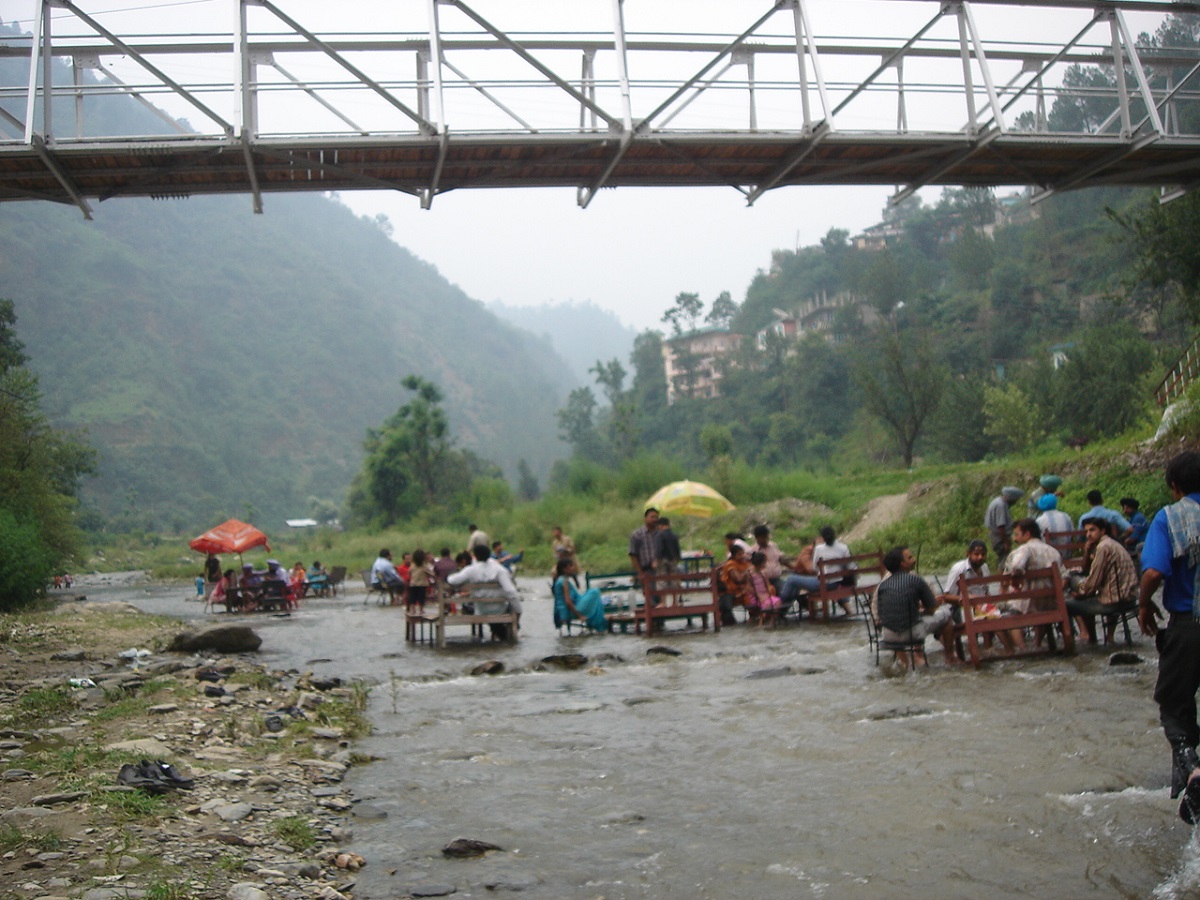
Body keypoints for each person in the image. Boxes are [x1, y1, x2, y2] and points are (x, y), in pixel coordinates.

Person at [1136, 451, 1200, 823]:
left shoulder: (1170, 517)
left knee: (1174, 706)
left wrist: (1144, 606)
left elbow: (1153, 573)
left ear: (1175, 487)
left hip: (1188, 627)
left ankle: (1192, 770)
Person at [873, 545, 956, 665]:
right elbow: (932, 609)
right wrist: (928, 608)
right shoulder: (915, 580)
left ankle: (905, 665)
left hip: (887, 636)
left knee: (910, 620)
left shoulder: (883, 585)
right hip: (911, 635)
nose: (914, 560)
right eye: (910, 558)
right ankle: (950, 658)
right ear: (902, 564)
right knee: (947, 614)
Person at [1067, 516, 1137, 644]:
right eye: (1086, 531)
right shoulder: (1113, 544)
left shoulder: (1103, 547)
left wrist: (1080, 594)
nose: (1088, 535)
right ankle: (1108, 638)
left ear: (1103, 531)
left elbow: (1092, 582)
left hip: (1114, 600)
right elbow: (1087, 570)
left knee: (1067, 604)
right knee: (1085, 593)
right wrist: (1087, 552)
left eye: (1092, 530)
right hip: (1128, 597)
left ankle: (1090, 639)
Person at [447, 543, 523, 637]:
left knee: (470, 606)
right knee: (510, 607)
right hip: (499, 610)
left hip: (480, 610)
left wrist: (450, 576)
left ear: (475, 556)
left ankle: (500, 635)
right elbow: (510, 591)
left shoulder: (471, 570)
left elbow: (452, 580)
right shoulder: (498, 569)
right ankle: (508, 635)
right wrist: (519, 611)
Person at [552, 558, 608, 632]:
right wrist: (579, 616)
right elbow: (568, 601)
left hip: (568, 611)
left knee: (592, 593)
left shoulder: (560, 580)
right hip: (571, 612)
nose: (573, 568)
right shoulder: (564, 581)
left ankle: (598, 620)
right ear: (564, 569)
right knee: (595, 591)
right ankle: (598, 622)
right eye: (570, 566)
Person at [812, 525, 856, 617]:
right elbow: (851, 566)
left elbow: (815, 567)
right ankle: (849, 611)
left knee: (793, 579)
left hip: (826, 584)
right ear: (835, 535)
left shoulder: (819, 549)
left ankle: (779, 609)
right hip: (841, 582)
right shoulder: (843, 547)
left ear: (823, 538)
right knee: (836, 586)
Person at [779, 535, 820, 615]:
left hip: (813, 578)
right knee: (791, 591)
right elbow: (810, 569)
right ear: (813, 545)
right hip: (802, 577)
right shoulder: (807, 552)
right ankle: (780, 609)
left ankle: (780, 609)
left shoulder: (821, 552)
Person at [986, 486, 1023, 568]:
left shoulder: (998, 501)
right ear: (1011, 498)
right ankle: (1003, 580)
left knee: (1003, 560)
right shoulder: (1001, 505)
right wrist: (1006, 542)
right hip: (999, 538)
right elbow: (1001, 526)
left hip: (997, 536)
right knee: (1004, 562)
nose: (1015, 502)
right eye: (1015, 499)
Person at [717, 543, 752, 625]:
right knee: (726, 608)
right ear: (733, 555)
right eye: (740, 554)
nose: (743, 556)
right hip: (729, 591)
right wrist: (746, 573)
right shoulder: (730, 564)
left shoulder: (746, 563)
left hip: (743, 590)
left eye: (743, 553)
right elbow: (738, 579)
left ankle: (754, 616)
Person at [628, 507, 660, 591]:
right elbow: (633, 555)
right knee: (650, 598)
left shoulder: (661, 533)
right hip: (646, 571)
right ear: (645, 518)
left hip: (661, 570)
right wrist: (640, 573)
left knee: (663, 598)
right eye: (652, 517)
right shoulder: (637, 535)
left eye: (656, 517)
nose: (654, 519)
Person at [747, 551, 782, 625]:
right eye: (764, 562)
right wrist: (758, 595)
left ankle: (772, 621)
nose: (765, 564)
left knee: (777, 601)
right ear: (759, 563)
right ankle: (761, 621)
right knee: (767, 604)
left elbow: (768, 585)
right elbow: (748, 587)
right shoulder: (750, 574)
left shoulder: (764, 573)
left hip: (765, 595)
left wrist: (769, 592)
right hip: (755, 597)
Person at [752, 524, 787, 593]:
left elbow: (780, 559)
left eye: (766, 537)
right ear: (757, 538)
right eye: (762, 538)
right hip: (762, 581)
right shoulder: (753, 551)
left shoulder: (773, 545)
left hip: (776, 579)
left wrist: (792, 567)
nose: (765, 540)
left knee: (786, 591)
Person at [407, 548, 433, 613]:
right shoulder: (424, 566)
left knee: (413, 598)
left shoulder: (412, 565)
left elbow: (409, 572)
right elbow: (430, 573)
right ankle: (421, 610)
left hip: (413, 584)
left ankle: (413, 610)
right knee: (421, 598)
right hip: (422, 585)